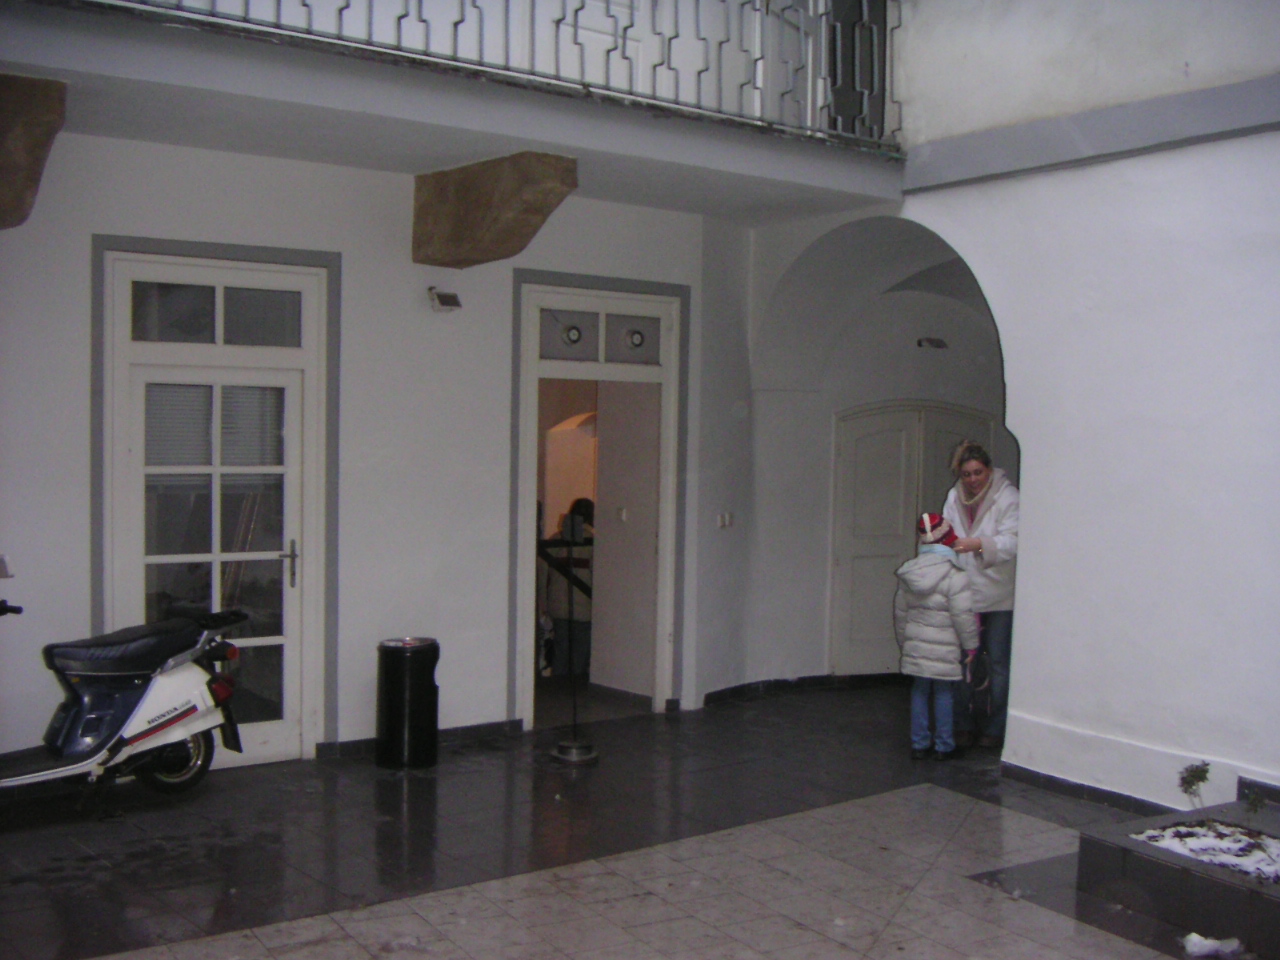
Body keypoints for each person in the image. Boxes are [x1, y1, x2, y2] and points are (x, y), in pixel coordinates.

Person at [942, 440, 1019, 748]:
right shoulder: (954, 497)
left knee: (999, 663)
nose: (972, 480)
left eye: (978, 473)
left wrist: (980, 545)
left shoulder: (1007, 497)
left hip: (999, 594)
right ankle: (962, 723)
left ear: (989, 470)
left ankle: (996, 728)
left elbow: (1014, 541)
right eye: (966, 474)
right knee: (962, 661)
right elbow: (946, 534)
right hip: (965, 592)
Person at [893, 513, 979, 761]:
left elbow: (900, 613)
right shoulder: (956, 575)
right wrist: (970, 646)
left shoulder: (909, 573)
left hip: (916, 645)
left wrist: (904, 642)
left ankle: (919, 744)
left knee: (919, 691)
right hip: (945, 648)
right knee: (944, 693)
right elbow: (963, 616)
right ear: (948, 541)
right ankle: (944, 746)